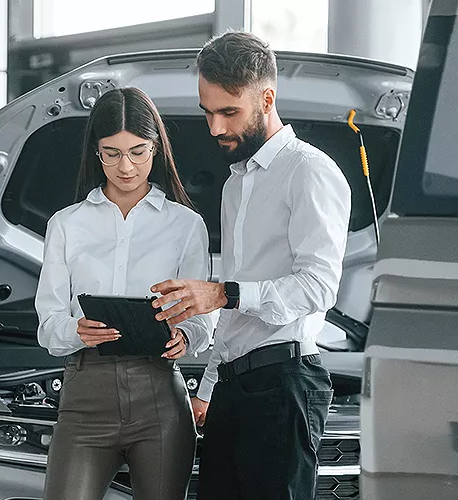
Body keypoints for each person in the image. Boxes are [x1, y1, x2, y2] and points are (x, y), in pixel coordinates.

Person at [150, 32, 352, 499]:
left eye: (228, 112)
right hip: (235, 386)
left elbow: (319, 287)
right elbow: (236, 318)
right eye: (208, 113)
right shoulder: (235, 185)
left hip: (285, 385)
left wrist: (223, 292)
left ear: (267, 98)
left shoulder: (310, 171)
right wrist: (210, 384)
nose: (215, 128)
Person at [35, 86, 217, 500]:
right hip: (84, 398)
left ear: (156, 147)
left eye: (138, 151)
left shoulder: (186, 225)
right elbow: (48, 327)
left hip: (160, 400)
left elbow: (204, 317)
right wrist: (76, 330)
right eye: (111, 153)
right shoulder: (66, 224)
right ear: (95, 153)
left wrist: (188, 336)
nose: (126, 167)